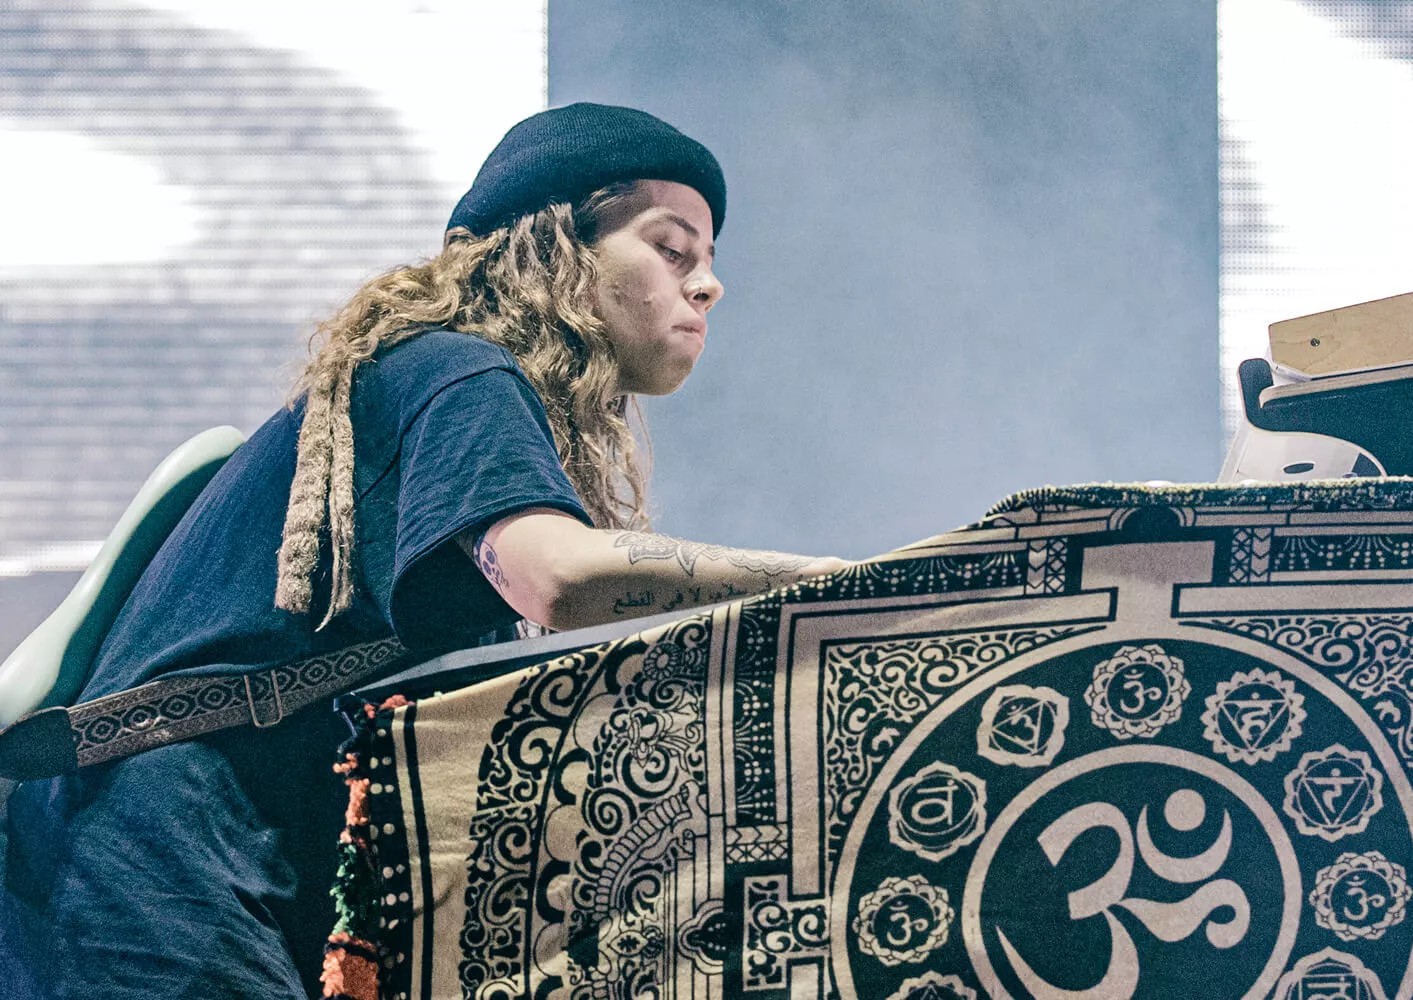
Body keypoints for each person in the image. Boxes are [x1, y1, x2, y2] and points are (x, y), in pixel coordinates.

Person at [0, 103, 847, 999]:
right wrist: (827, 588)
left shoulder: (431, 385)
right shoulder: (458, 370)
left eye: (709, 260)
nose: (708, 285)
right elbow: (558, 576)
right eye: (672, 248)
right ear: (551, 247)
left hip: (123, 866)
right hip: (154, 872)